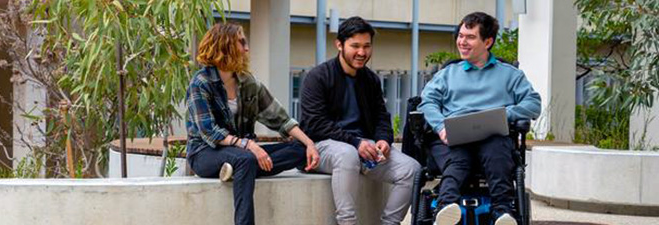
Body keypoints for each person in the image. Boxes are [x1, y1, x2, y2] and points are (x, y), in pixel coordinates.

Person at [185, 22, 320, 225]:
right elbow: (209, 131)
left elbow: (280, 118)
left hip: (242, 154)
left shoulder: (248, 83)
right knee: (245, 160)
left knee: (298, 150)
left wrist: (309, 144)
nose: (247, 48)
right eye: (241, 42)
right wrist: (249, 146)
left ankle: (234, 171)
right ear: (224, 45)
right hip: (204, 153)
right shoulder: (201, 83)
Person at [418, 12, 541, 225]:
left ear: (488, 42)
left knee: (497, 151)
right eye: (461, 35)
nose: (462, 42)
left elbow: (533, 104)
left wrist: (503, 115)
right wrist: (440, 126)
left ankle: (503, 214)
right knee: (459, 158)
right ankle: (445, 209)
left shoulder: (510, 75)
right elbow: (426, 102)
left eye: (470, 37)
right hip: (452, 136)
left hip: (493, 136)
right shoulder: (447, 74)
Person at [299, 16, 421, 225]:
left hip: (363, 148)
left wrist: (384, 140)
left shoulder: (370, 79)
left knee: (412, 169)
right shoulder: (318, 77)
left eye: (366, 46)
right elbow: (316, 123)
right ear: (339, 44)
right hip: (323, 146)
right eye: (355, 46)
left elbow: (382, 116)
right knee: (348, 155)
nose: (362, 52)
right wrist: (356, 142)